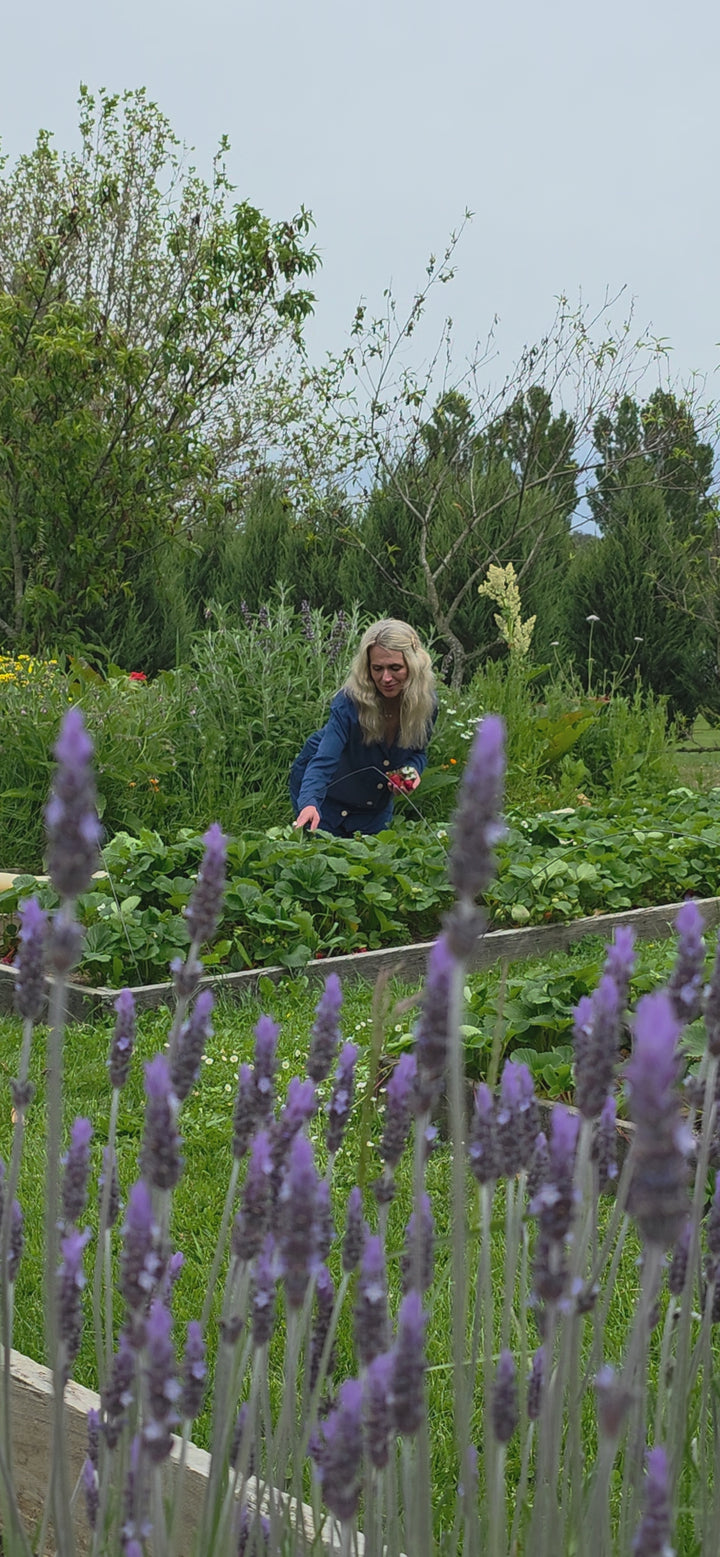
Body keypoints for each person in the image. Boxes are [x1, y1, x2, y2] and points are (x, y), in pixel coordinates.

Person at [290, 619, 437, 836]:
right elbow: (323, 762)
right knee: (322, 859)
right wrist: (310, 802)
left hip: (373, 806)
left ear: (413, 666)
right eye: (377, 669)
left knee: (369, 863)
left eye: (395, 668)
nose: (385, 678)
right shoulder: (348, 702)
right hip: (325, 795)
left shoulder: (426, 705)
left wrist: (411, 771)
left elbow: (418, 753)